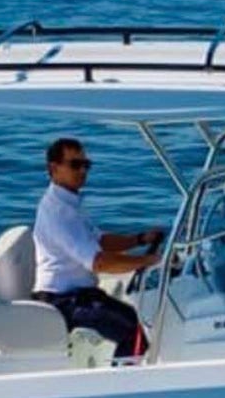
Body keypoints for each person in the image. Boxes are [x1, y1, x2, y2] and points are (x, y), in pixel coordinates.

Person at [32, 136, 165, 354]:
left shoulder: (69, 202)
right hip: (63, 302)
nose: (82, 170)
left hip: (78, 294)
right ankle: (124, 384)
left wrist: (139, 240)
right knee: (132, 328)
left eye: (86, 165)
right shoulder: (59, 213)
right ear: (53, 168)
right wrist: (148, 261)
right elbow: (99, 262)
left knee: (130, 315)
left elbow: (100, 240)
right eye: (75, 165)